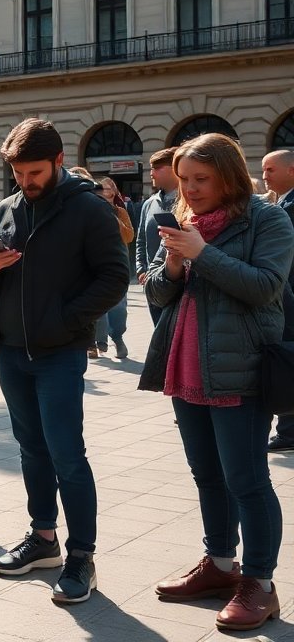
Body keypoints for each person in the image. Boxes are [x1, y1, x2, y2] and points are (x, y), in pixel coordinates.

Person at [141, 133, 294, 631]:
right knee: (207, 476)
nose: (190, 188)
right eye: (184, 180)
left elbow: (266, 287)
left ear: (228, 175)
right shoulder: (185, 222)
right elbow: (162, 297)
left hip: (240, 369)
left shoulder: (268, 219)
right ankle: (220, 564)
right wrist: (173, 264)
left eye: (201, 179)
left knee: (246, 481)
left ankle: (261, 583)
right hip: (187, 366)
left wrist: (202, 252)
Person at [0, 118, 129, 604]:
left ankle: (82, 556)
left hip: (59, 353)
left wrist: (66, 320)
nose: (25, 182)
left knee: (67, 454)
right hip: (12, 350)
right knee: (31, 450)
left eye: (34, 172)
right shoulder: (7, 206)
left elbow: (114, 278)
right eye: (18, 174)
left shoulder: (88, 209)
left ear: (59, 162)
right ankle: (44, 539)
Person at [261, 149, 294, 454]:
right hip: (285, 293)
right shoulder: (280, 204)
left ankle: (289, 430)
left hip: (288, 295)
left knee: (286, 357)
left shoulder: (288, 208)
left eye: (270, 170)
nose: (265, 176)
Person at [92, 177, 135, 360]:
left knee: (119, 306)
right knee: (97, 305)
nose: (106, 191)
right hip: (96, 263)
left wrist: (116, 221)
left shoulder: (120, 212)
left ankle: (117, 337)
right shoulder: (91, 211)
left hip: (118, 263)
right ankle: (96, 341)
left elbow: (130, 236)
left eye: (110, 188)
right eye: (103, 188)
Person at [136, 148, 180, 325]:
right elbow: (141, 239)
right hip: (153, 283)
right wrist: (141, 268)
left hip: (177, 284)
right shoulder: (149, 203)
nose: (151, 173)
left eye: (157, 167)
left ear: (174, 168)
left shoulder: (190, 201)